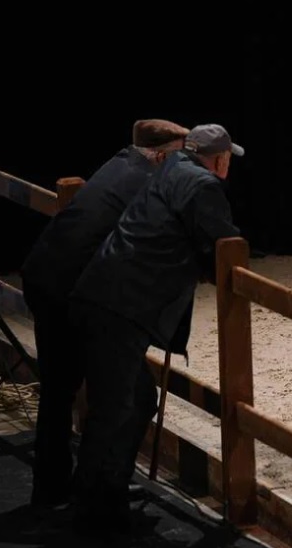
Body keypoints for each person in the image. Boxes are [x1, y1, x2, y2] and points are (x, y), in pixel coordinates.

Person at [67, 123, 243, 531]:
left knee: (137, 401)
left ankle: (107, 488)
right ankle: (92, 506)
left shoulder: (169, 170)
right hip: (121, 306)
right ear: (218, 159)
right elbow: (223, 245)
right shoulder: (203, 187)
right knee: (115, 409)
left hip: (104, 296)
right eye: (228, 158)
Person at [20, 118, 189, 509]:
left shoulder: (118, 164)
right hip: (75, 295)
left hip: (45, 277)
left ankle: (53, 490)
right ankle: (98, 490)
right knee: (131, 398)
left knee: (60, 392)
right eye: (181, 157)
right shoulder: (149, 185)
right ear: (162, 155)